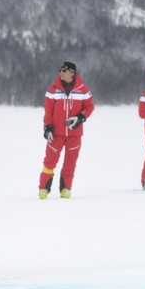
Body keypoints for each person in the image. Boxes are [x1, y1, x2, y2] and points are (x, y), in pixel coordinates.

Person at [38, 62, 94, 199]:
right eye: (60, 70)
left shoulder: (83, 90)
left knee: (70, 163)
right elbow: (48, 112)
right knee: (49, 161)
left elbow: (89, 107)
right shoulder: (52, 90)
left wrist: (80, 118)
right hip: (56, 134)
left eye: (64, 71)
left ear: (72, 73)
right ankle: (44, 188)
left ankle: (66, 189)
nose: (61, 73)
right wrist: (47, 127)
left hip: (75, 135)